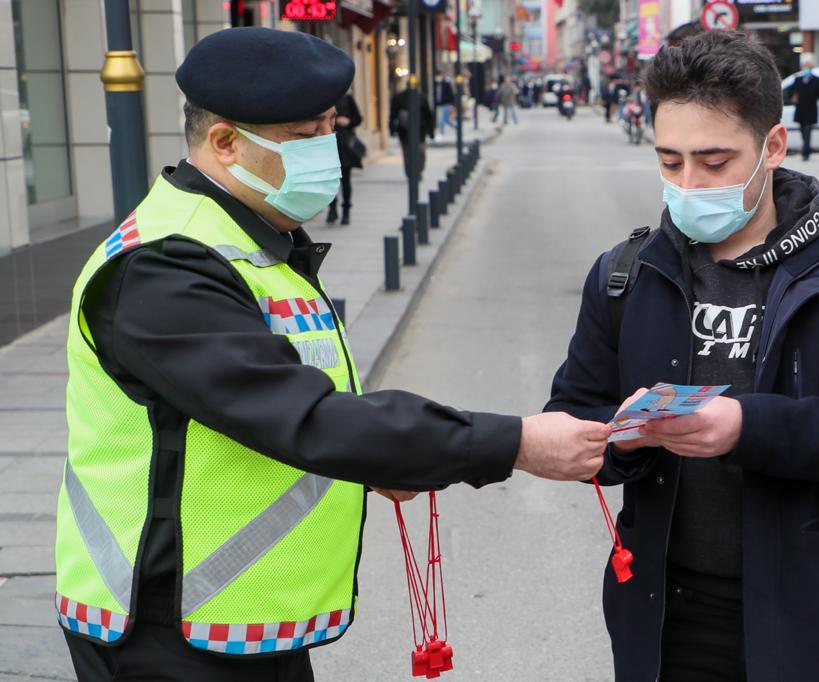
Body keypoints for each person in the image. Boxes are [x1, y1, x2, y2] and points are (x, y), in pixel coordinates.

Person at [57, 28, 611, 682]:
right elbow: (305, 416)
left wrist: (380, 456)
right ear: (225, 143)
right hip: (162, 629)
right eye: (303, 135)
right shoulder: (163, 268)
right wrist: (513, 442)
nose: (330, 148)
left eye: (330, 125)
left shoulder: (252, 241)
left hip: (232, 622)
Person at [546, 31, 819, 682]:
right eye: (670, 161)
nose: (689, 184)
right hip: (665, 618)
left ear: (772, 147)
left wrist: (746, 427)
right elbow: (574, 418)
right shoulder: (624, 275)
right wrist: (626, 441)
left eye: (715, 161)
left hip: (814, 620)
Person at [326, 91, 361, 225]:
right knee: (330, 180)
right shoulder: (324, 97)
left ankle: (346, 211)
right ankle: (332, 209)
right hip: (329, 144)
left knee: (345, 180)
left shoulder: (346, 97)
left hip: (345, 145)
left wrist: (348, 121)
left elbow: (358, 118)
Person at [389, 77, 434, 183]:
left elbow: (428, 115)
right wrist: (392, 129)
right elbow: (393, 115)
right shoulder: (400, 98)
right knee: (410, 153)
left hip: (419, 132)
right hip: (407, 132)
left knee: (416, 153)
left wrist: (430, 131)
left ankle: (416, 172)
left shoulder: (421, 98)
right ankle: (412, 173)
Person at [791, 55, 819, 161]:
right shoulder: (797, 80)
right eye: (805, 66)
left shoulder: (817, 80)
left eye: (808, 66)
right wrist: (794, 98)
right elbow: (793, 93)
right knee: (802, 130)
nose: (806, 68)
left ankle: (806, 152)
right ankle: (806, 147)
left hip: (811, 110)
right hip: (801, 110)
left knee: (808, 130)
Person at [433, 73, 456, 140]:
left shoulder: (446, 84)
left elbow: (451, 94)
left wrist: (452, 104)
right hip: (439, 104)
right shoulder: (436, 84)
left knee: (442, 119)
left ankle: (441, 133)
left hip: (446, 103)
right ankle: (457, 127)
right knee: (446, 119)